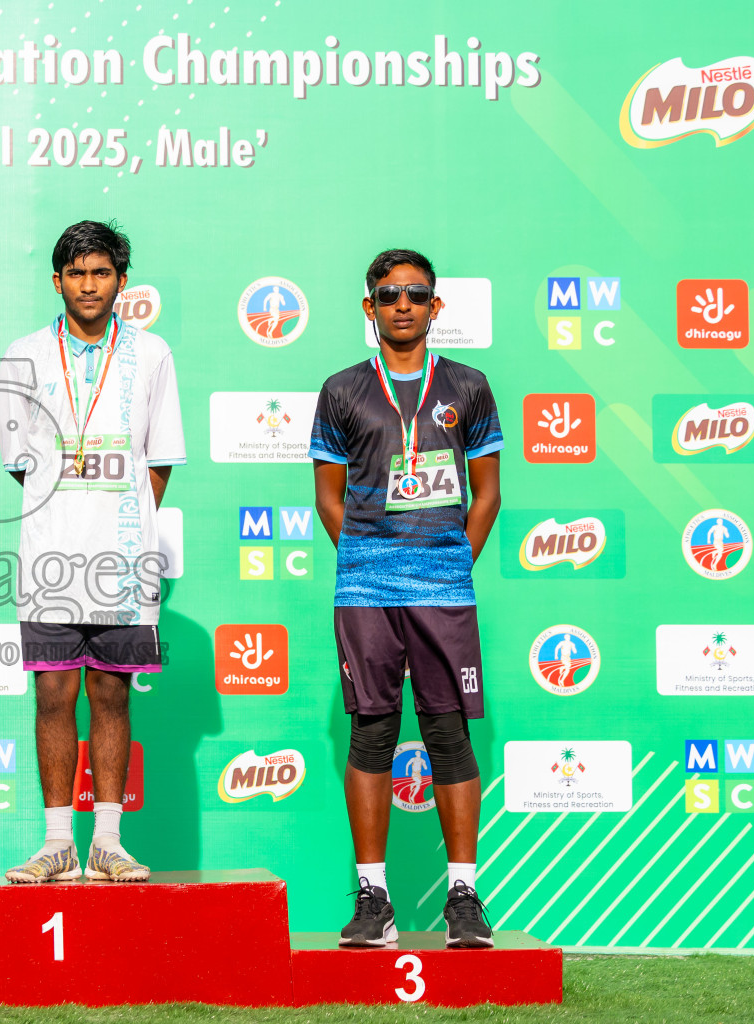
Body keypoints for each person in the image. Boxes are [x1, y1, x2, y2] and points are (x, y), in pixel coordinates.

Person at [310, 249, 502, 948]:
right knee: (372, 733)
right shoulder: (342, 390)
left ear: (435, 306)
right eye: (389, 295)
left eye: (416, 295)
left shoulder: (469, 386)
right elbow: (328, 498)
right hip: (366, 590)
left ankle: (463, 896)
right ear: (370, 306)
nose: (402, 305)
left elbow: (488, 494)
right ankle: (374, 899)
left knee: (449, 734)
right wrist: (372, 562)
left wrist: (447, 565)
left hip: (443, 590)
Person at [0, 221, 186, 884]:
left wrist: (119, 521)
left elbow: (158, 461)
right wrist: (68, 513)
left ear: (121, 281)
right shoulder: (23, 354)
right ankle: (57, 844)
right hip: (49, 557)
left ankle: (107, 841)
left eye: (101, 272)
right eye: (76, 273)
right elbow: (21, 464)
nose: (88, 285)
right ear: (57, 281)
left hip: (123, 561)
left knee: (111, 693)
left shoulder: (152, 353)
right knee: (53, 692)